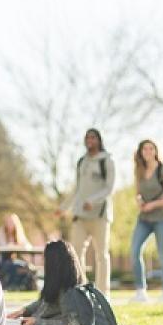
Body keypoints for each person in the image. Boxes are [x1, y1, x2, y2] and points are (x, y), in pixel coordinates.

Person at [56, 128, 116, 299]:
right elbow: (78, 189)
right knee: (75, 253)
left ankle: (104, 294)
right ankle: (81, 291)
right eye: (87, 137)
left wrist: (94, 201)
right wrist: (64, 207)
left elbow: (109, 188)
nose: (90, 140)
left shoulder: (107, 160)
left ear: (99, 140)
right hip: (80, 216)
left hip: (100, 215)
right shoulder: (82, 161)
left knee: (101, 254)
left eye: (93, 137)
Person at [130, 139, 163, 303]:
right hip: (144, 219)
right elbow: (138, 193)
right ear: (140, 152)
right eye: (144, 149)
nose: (147, 152)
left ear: (156, 151)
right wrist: (139, 201)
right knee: (134, 251)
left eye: (151, 148)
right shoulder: (139, 171)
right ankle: (140, 292)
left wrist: (153, 204)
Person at [6, 240, 83, 325]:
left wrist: (36, 323)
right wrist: (23, 311)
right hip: (34, 323)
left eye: (45, 258)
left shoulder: (68, 291)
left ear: (54, 262)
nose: (43, 262)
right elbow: (44, 301)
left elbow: (69, 322)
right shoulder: (56, 282)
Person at [0, 213, 35, 290]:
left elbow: (28, 246)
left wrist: (17, 246)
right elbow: (3, 247)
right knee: (12, 266)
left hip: (15, 261)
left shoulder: (19, 233)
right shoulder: (1, 232)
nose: (10, 224)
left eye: (12, 222)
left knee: (27, 267)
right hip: (1, 261)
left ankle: (23, 287)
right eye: (8, 222)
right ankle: (11, 287)